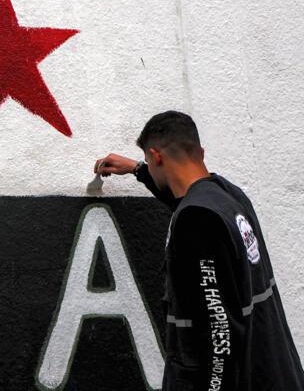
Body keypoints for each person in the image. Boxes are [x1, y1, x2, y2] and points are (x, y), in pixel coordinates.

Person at [94, 110, 304, 391]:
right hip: (274, 371)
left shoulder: (197, 220)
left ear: (156, 157)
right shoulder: (228, 195)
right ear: (200, 152)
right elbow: (187, 201)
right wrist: (138, 169)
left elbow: (220, 333)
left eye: (149, 162)